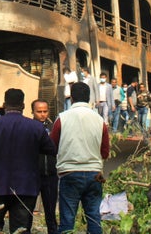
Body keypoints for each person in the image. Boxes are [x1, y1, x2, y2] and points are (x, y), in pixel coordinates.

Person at [0, 88, 56, 234]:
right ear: (23, 106)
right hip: (25, 188)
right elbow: (51, 149)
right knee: (21, 230)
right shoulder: (36, 127)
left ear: (4, 105)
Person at [50, 82, 110, 234]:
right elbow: (105, 152)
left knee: (67, 221)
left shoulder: (62, 118)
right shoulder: (99, 120)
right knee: (94, 219)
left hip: (69, 174)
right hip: (94, 174)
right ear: (89, 97)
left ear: (72, 97)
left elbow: (52, 146)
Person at [32, 99, 58, 234]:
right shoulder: (29, 127)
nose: (42, 114)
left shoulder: (54, 127)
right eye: (39, 111)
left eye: (45, 111)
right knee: (26, 210)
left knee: (50, 212)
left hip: (51, 174)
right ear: (33, 112)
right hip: (33, 174)